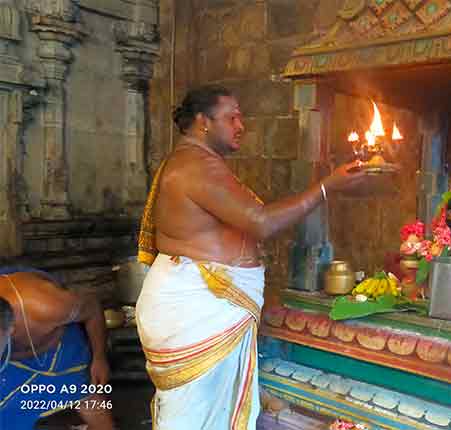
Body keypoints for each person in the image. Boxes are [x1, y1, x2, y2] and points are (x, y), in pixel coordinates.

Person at [136, 84, 373, 429]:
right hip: (196, 310)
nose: (241, 126)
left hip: (204, 306)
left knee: (205, 414)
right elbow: (261, 222)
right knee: (192, 417)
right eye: (232, 118)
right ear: (203, 122)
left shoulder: (197, 162)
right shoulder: (195, 166)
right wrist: (327, 187)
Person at [0, 269, 114, 430]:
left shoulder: (45, 307)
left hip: (61, 349)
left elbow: (92, 307)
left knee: (85, 394)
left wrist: (99, 358)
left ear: (10, 328)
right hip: (14, 358)